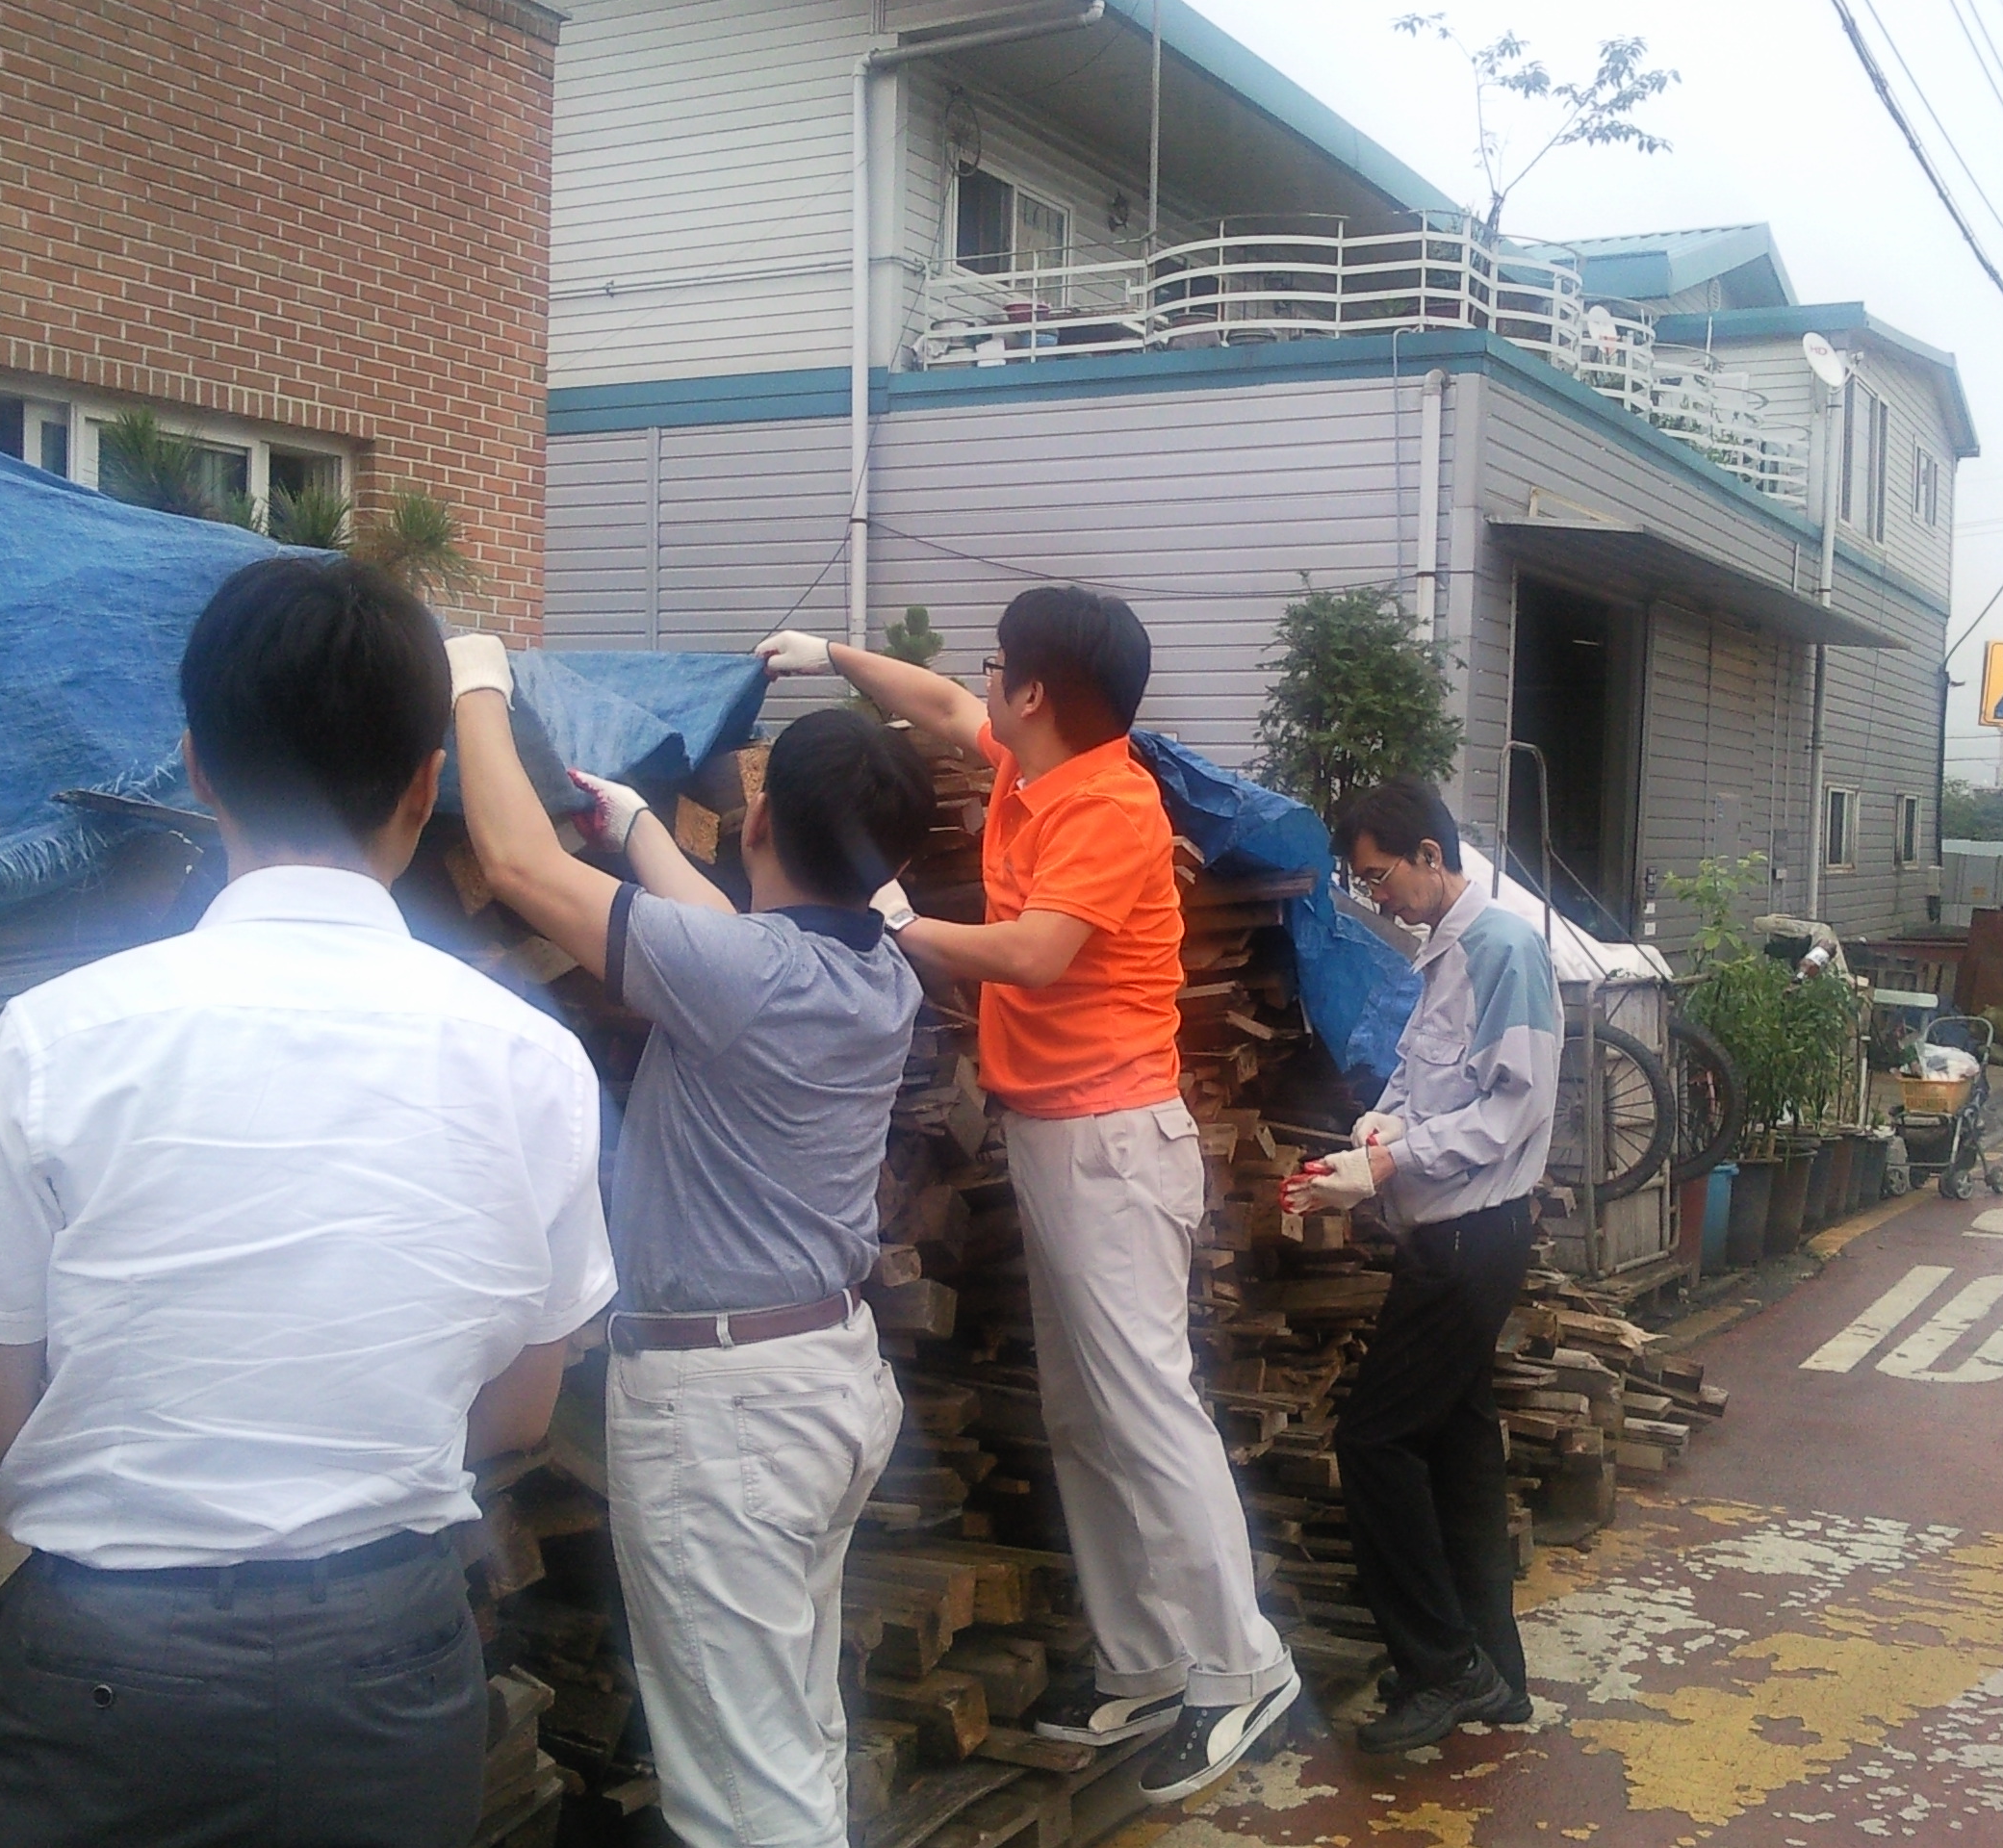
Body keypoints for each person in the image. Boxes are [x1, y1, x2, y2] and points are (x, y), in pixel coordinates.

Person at [0, 557, 618, 1848]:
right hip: (388, 1670)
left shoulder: (59, 1036)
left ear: (199, 769)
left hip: (104, 1682)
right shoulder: (530, 1059)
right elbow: (513, 1410)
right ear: (425, 787)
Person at [755, 588, 1300, 1805]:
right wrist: (826, 655)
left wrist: (890, 916)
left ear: (1040, 691)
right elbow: (940, 706)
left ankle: (1238, 1665)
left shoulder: (1108, 803)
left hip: (1109, 1142)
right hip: (1060, 1136)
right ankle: (1147, 1660)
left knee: (1145, 1407)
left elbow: (1032, 952)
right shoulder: (1038, 760)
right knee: (1087, 1414)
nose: (983, 681)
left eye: (1000, 665)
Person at [445, 634, 936, 1848]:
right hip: (820, 1383)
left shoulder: (745, 976)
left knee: (739, 1797)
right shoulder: (879, 972)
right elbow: (725, 929)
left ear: (760, 819)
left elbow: (510, 858)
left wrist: (473, 677)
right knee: (788, 1732)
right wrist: (630, 828)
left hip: (729, 1420)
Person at [1286, 776, 1561, 1754]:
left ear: (1429, 856)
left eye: (1378, 876)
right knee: (1452, 1446)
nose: (1375, 899)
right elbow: (1423, 1075)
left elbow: (1510, 1108)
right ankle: (1495, 1673)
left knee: (1374, 1443)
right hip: (1447, 1231)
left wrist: (1389, 1162)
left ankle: (1443, 1668)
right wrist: (1378, 1125)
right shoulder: (1446, 950)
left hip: (1469, 1236)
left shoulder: (1502, 948)